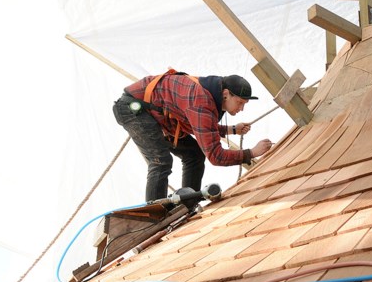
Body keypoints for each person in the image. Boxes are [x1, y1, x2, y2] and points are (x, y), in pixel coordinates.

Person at [113, 70, 274, 202]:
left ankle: (188, 203)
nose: (241, 109)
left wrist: (231, 129)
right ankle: (154, 215)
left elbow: (201, 126)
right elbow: (215, 156)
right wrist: (251, 153)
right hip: (133, 109)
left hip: (156, 115)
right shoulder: (201, 102)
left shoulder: (209, 94)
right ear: (226, 94)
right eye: (240, 103)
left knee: (194, 154)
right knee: (161, 161)